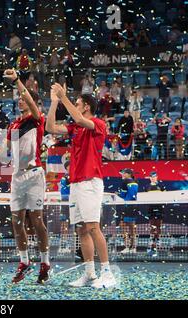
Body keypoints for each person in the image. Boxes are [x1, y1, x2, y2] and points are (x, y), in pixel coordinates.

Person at [46, 83, 116, 288]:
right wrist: (54, 102)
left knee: (93, 227)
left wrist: (63, 96)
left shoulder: (98, 124)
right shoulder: (75, 128)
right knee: (81, 230)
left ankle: (107, 273)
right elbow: (50, 127)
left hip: (91, 181)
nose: (75, 106)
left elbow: (78, 117)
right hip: (76, 183)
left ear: (86, 106)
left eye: (77, 103)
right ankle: (90, 274)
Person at [3, 69, 50, 284]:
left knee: (37, 220)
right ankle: (24, 262)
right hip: (16, 177)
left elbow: (30, 101)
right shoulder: (13, 125)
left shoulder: (37, 120)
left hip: (34, 175)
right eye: (19, 100)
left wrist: (17, 82)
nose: (21, 102)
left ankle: (45, 262)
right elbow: (6, 153)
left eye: (25, 99)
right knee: (16, 222)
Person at [118, 169, 139, 254]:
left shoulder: (125, 182)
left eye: (124, 173)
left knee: (122, 225)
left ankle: (127, 246)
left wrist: (116, 194)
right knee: (131, 227)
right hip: (134, 206)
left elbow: (123, 195)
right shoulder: (135, 182)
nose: (122, 174)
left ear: (128, 174)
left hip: (127, 206)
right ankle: (133, 247)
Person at [145, 172, 165, 255]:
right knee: (152, 225)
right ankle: (152, 241)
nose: (153, 178)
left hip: (159, 207)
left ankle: (158, 239)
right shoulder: (147, 187)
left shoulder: (161, 185)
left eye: (154, 177)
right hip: (151, 208)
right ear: (150, 178)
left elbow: (166, 195)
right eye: (151, 177)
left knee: (158, 225)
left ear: (157, 177)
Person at [58, 161, 72, 255]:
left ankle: (73, 245)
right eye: (69, 167)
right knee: (64, 224)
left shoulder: (76, 177)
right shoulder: (64, 178)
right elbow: (66, 191)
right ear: (66, 168)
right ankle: (63, 245)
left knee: (75, 225)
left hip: (75, 203)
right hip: (65, 204)